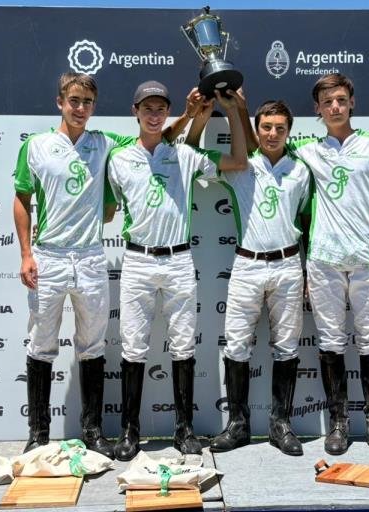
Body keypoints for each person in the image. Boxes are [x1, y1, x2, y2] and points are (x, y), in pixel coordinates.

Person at [13, 72, 196, 456]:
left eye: (87, 103)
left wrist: (188, 115)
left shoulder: (106, 143)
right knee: (42, 344)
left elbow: (156, 135)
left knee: (92, 345)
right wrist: (26, 253)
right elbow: (22, 198)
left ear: (94, 107)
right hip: (49, 256)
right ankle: (38, 434)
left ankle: (93, 431)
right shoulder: (36, 146)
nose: (80, 109)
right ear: (60, 102)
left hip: (91, 257)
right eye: (74, 101)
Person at [106, 81, 248, 461]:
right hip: (137, 260)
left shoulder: (185, 154)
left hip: (180, 260)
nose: (153, 115)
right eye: (147, 109)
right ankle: (130, 431)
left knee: (184, 346)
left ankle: (184, 429)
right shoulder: (118, 157)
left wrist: (234, 111)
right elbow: (107, 207)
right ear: (135, 112)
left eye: (160, 109)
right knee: (133, 348)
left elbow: (238, 162)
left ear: (167, 112)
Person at [186, 97, 311, 456]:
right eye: (266, 127)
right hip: (246, 264)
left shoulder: (301, 170)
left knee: (287, 347)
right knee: (237, 345)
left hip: (288, 265)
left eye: (280, 128)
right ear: (257, 130)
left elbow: (305, 219)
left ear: (289, 132)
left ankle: (281, 425)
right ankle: (238, 425)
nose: (273, 134)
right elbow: (190, 156)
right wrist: (219, 112)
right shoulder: (241, 165)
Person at [288, 73, 369, 457]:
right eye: (327, 102)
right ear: (317, 109)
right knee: (330, 342)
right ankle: (338, 423)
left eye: (340, 99)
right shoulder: (307, 149)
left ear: (351, 102)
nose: (335, 107)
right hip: (323, 261)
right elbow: (265, 143)